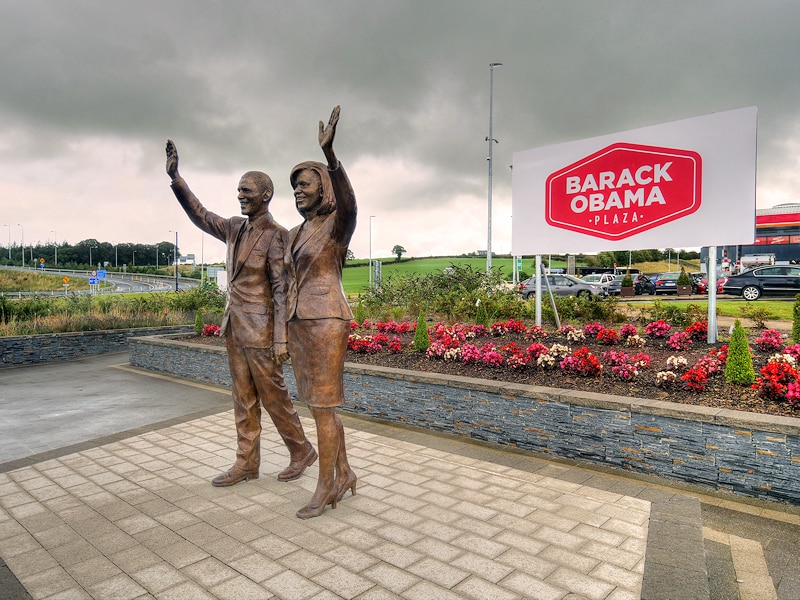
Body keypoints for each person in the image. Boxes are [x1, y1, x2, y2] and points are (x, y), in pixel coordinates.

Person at [165, 140, 317, 487]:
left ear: (266, 195)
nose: (239, 196)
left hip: (263, 332)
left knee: (275, 398)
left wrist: (281, 337)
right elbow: (200, 214)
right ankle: (246, 463)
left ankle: (301, 450)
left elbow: (282, 289)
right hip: (235, 327)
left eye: (246, 191)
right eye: (238, 190)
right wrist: (177, 178)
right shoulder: (234, 227)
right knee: (243, 400)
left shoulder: (277, 235)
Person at [285, 106, 357, 519]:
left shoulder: (336, 225)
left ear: (323, 188)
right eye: (294, 185)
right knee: (317, 406)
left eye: (305, 184)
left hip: (327, 319)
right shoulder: (296, 233)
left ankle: (326, 484)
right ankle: (343, 472)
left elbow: (350, 201)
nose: (297, 190)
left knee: (325, 406)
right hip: (298, 323)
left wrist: (331, 157)